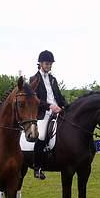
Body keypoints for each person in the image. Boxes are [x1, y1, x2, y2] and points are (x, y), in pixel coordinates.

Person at [30, 50, 68, 180]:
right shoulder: (34, 79)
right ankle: (37, 167)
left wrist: (66, 106)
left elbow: (58, 96)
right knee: (41, 136)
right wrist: (50, 106)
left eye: (50, 64)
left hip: (57, 110)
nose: (49, 66)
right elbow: (35, 100)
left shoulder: (53, 79)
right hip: (44, 113)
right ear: (40, 63)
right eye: (47, 63)